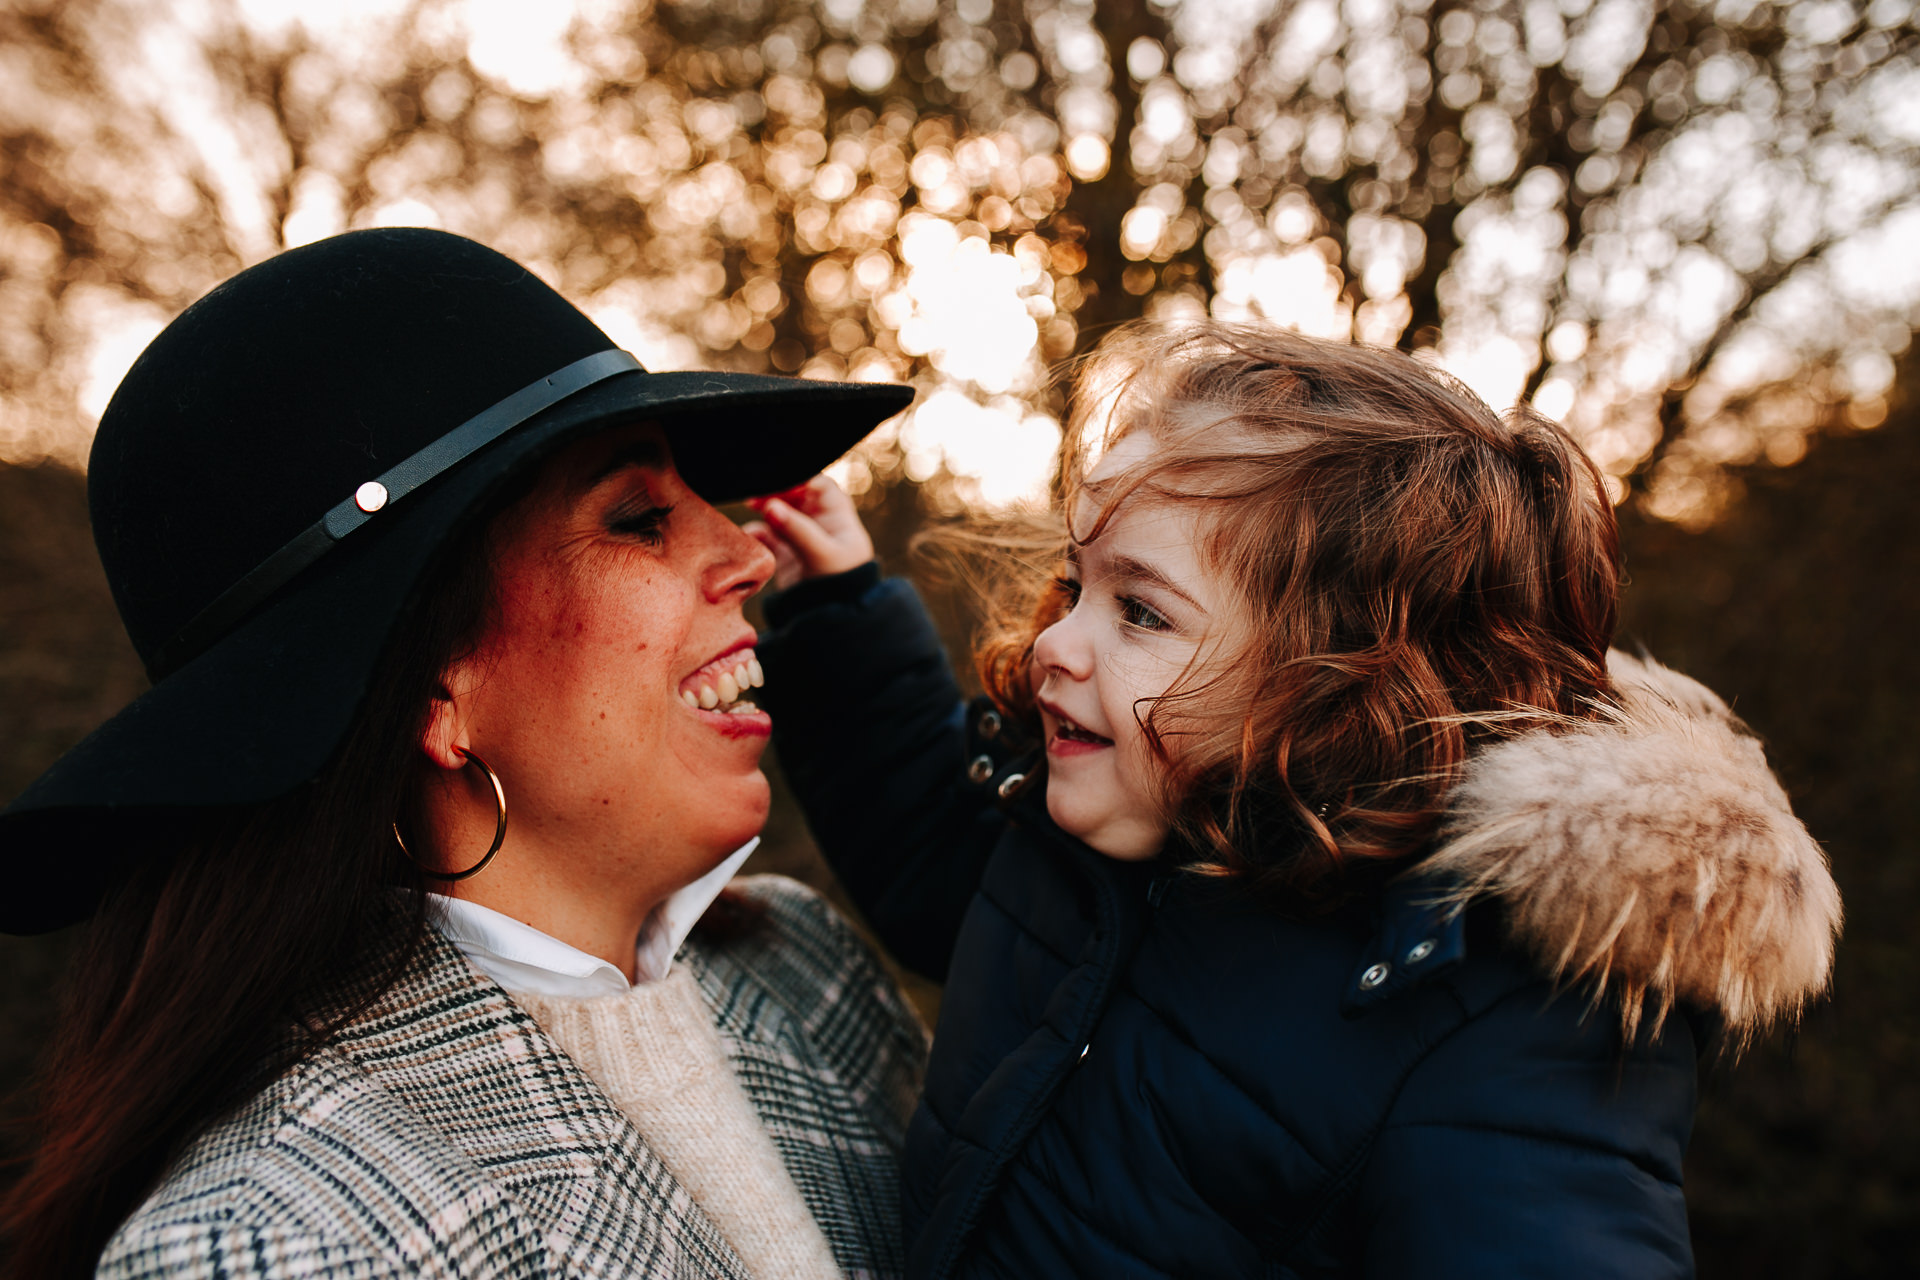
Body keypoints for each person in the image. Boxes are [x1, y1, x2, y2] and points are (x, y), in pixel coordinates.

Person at [749, 321, 1842, 1278]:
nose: (1053, 639)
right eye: (1079, 583)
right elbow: (932, 852)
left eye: (1141, 612)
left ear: (1341, 677)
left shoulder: (1493, 1021)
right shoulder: (1105, 831)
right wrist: (840, 607)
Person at [0, 228, 929, 1280]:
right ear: (435, 690)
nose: (749, 551)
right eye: (637, 519)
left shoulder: (809, 972)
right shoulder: (280, 1244)